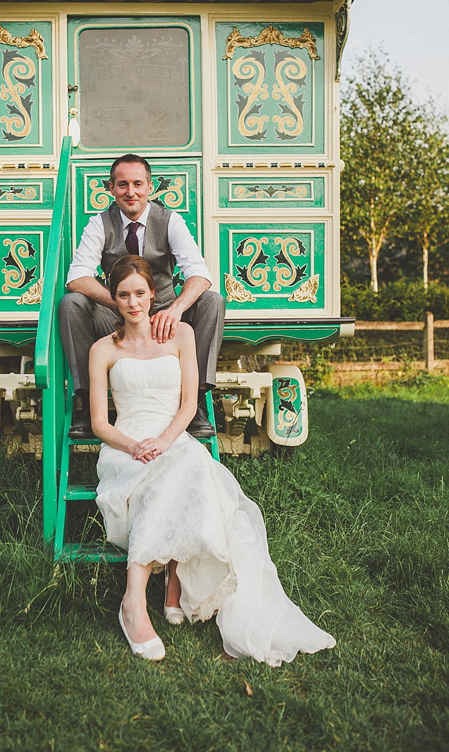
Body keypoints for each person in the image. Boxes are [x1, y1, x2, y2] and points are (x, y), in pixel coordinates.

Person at [89, 255, 337, 664]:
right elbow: (100, 422)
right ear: (113, 299)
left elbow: (190, 405)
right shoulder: (103, 349)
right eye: (123, 295)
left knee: (187, 464)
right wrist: (135, 446)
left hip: (172, 438)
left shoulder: (181, 334)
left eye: (140, 293)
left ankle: (148, 590)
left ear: (153, 294)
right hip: (125, 446)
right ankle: (138, 600)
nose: (133, 303)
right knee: (175, 472)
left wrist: (166, 440)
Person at [59, 153, 225, 439]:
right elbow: (76, 278)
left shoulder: (170, 221)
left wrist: (174, 310)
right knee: (71, 303)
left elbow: (199, 273)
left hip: (163, 308)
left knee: (213, 300)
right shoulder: (99, 223)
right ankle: (87, 405)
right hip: (117, 311)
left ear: (150, 186)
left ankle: (196, 402)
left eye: (138, 183)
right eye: (122, 184)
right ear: (111, 188)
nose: (130, 191)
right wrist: (124, 304)